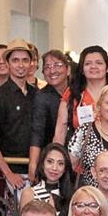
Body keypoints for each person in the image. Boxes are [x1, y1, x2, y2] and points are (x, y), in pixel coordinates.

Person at [56, 45, 108, 145]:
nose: (93, 66)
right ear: (82, 69)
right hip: (82, 152)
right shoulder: (72, 94)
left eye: (99, 63)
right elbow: (60, 133)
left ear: (107, 68)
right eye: (88, 63)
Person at [0, 38, 35, 194]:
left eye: (25, 60)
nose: (21, 65)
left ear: (31, 63)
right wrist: (8, 174)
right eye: (15, 60)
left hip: (36, 171)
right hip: (12, 173)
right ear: (7, 63)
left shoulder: (37, 94)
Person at [29, 49, 73, 178]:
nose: (52, 71)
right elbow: (37, 132)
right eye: (47, 67)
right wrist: (33, 164)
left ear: (68, 70)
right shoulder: (41, 97)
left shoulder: (78, 91)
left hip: (78, 157)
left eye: (57, 65)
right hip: (53, 161)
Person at [19, 141, 75, 216]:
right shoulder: (29, 193)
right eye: (50, 162)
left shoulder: (72, 195)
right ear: (42, 164)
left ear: (65, 168)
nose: (54, 168)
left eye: (60, 163)